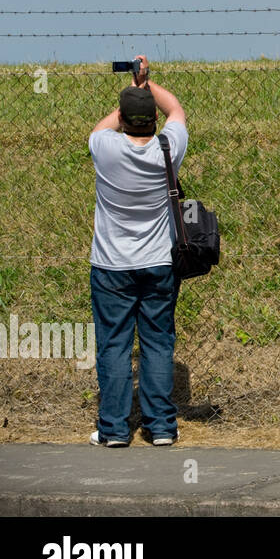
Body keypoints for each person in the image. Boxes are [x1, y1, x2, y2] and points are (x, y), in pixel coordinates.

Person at [88, 55, 188, 446]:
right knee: (158, 342)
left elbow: (104, 126)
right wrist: (148, 84)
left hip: (111, 266)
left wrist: (131, 94)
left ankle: (113, 430)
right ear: (152, 121)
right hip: (160, 262)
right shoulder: (169, 148)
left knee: (114, 344)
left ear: (125, 119)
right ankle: (161, 426)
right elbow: (175, 109)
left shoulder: (105, 149)